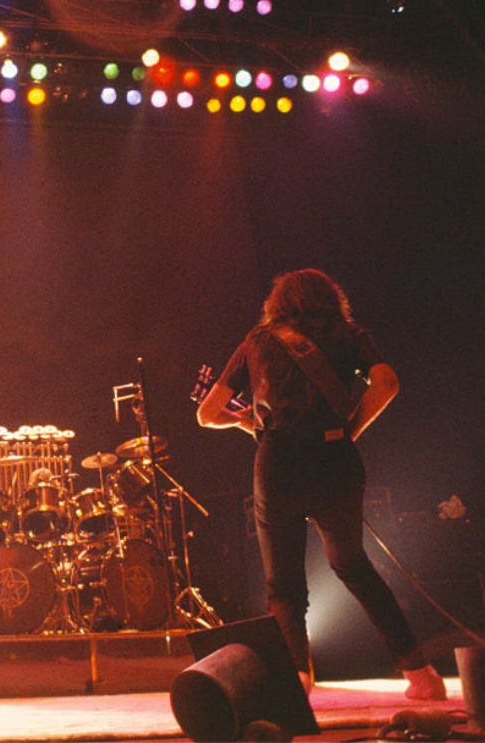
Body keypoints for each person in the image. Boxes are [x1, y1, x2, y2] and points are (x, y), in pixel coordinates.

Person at [196, 269, 446, 700]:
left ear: (277, 303)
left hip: (278, 464)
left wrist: (249, 425)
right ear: (331, 300)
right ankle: (422, 676)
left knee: (284, 585)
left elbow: (207, 413)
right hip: (335, 458)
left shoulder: (258, 341)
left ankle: (299, 680)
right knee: (354, 567)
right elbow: (387, 383)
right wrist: (350, 429)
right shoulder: (349, 335)